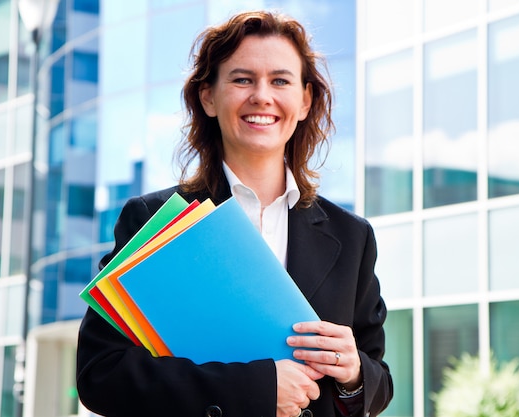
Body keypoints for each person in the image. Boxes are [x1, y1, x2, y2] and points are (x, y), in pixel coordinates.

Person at [76, 10, 393, 417]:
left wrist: (354, 373)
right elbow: (100, 374)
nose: (262, 96)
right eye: (242, 79)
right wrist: (256, 389)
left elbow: (379, 381)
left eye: (280, 80)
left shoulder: (352, 237)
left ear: (304, 100)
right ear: (208, 97)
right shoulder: (150, 218)